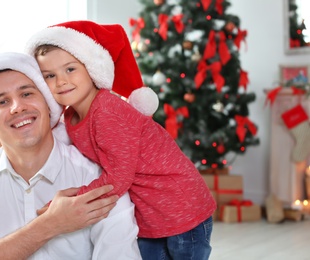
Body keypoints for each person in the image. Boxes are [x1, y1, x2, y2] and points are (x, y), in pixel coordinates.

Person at [26, 20, 217, 260]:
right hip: (151, 213)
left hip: (181, 207)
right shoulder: (72, 115)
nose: (61, 81)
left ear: (90, 67)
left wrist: (73, 200)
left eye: (70, 69)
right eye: (49, 75)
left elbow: (118, 177)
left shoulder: (107, 111)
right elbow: (59, 143)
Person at [0, 52, 142, 260]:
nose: (17, 107)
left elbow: (120, 254)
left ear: (48, 103)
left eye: (27, 94)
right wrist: (49, 225)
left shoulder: (96, 175)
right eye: (2, 102)